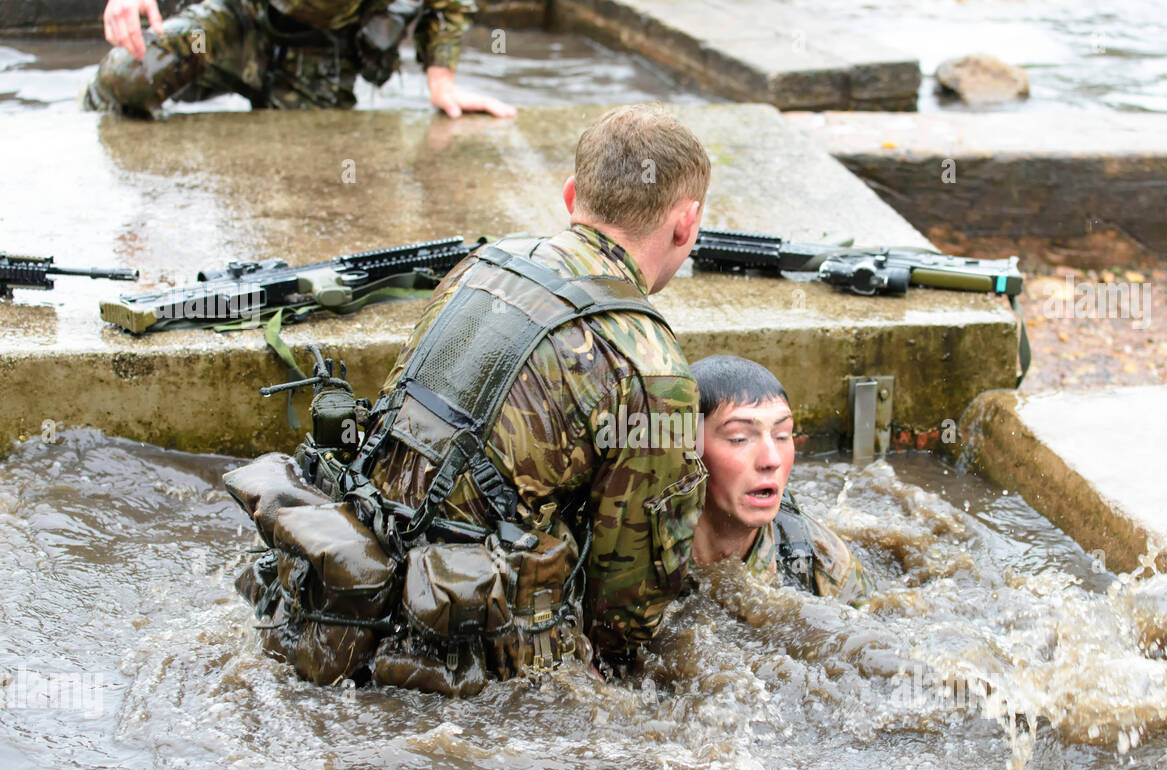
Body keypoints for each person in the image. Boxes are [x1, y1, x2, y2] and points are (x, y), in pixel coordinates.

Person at [338, 102, 710, 689]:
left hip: (359, 582)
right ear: (685, 223)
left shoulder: (479, 265)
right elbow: (633, 592)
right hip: (476, 643)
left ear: (570, 196)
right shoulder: (651, 366)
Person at [84, 0, 516, 118]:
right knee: (130, 73)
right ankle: (93, 105)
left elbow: (449, 4)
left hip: (323, 47)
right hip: (243, 19)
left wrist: (441, 82)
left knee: (327, 185)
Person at [689, 354, 874, 607]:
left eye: (782, 435)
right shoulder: (634, 557)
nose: (772, 459)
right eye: (739, 438)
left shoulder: (821, 561)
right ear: (686, 450)